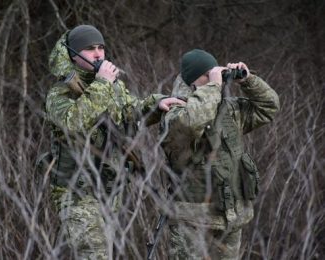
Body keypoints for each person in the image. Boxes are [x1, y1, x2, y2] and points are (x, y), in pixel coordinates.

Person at [45, 25, 185, 259]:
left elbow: (129, 112)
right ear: (72, 54)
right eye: (90, 49)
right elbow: (73, 123)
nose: (99, 54)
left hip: (109, 189)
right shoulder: (60, 93)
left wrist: (156, 105)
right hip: (76, 191)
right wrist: (102, 84)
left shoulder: (112, 86)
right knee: (94, 253)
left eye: (101, 48)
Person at [159, 49, 280, 259]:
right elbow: (193, 122)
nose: (215, 78)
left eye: (215, 73)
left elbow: (269, 107)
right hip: (192, 218)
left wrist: (248, 81)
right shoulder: (175, 112)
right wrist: (213, 86)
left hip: (230, 214)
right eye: (207, 74)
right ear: (192, 80)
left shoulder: (229, 110)